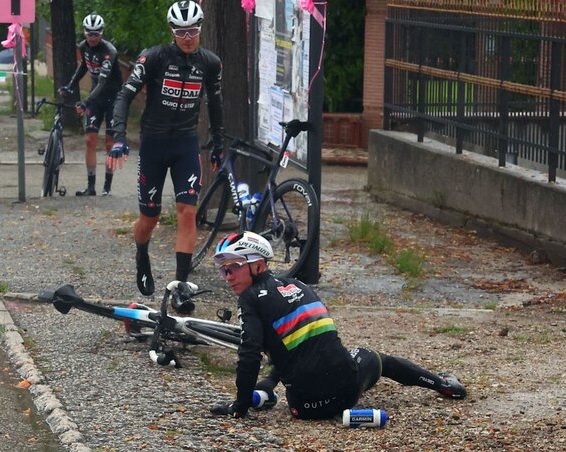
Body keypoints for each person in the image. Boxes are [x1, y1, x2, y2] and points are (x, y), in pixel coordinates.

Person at [209, 232, 467, 419]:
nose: (228, 276)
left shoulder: (250, 298)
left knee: (287, 350)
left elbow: (250, 355)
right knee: (375, 357)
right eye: (224, 271)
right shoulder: (299, 286)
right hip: (347, 389)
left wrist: (240, 406)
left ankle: (263, 394)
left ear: (258, 264)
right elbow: (312, 345)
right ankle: (444, 385)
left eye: (234, 267)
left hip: (303, 408)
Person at [107, 1, 225, 296]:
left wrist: (218, 142)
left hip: (186, 143)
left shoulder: (209, 63)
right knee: (150, 217)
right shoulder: (154, 57)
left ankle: (181, 285)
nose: (188, 37)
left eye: (193, 30)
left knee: (187, 211)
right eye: (181, 31)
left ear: (200, 29)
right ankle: (141, 253)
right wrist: (119, 137)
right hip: (154, 144)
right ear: (172, 31)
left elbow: (216, 103)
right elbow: (124, 96)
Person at [59, 13, 123, 196]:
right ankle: (91, 186)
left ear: (101, 33)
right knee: (89, 140)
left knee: (110, 143)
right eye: (89, 34)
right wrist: (71, 86)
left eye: (96, 34)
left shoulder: (109, 51)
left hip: (113, 97)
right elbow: (83, 67)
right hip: (97, 97)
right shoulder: (83, 46)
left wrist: (86, 102)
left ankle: (107, 187)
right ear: (85, 33)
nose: (93, 37)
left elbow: (103, 83)